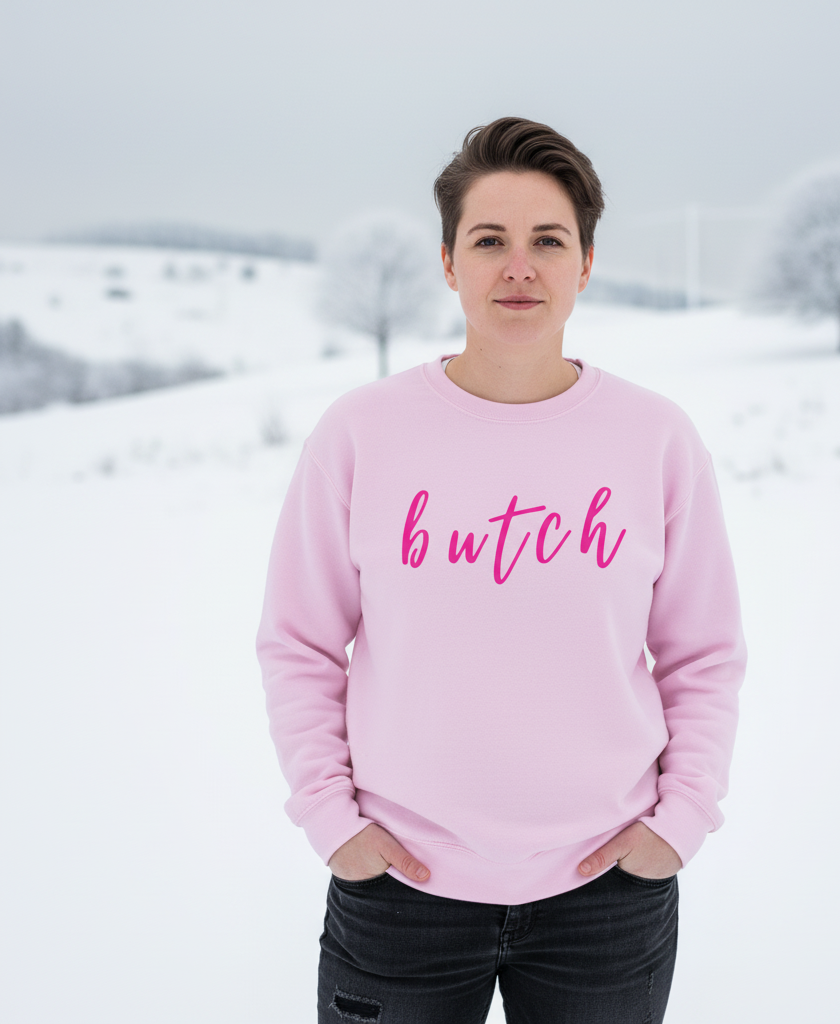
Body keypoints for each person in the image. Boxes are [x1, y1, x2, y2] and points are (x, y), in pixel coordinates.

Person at [255, 116, 747, 1024]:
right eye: (490, 241)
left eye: (547, 241)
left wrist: (679, 823)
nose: (519, 266)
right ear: (449, 262)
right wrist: (333, 821)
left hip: (606, 897)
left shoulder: (655, 440)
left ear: (586, 263)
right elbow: (299, 642)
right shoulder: (363, 433)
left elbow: (704, 655)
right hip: (400, 889)